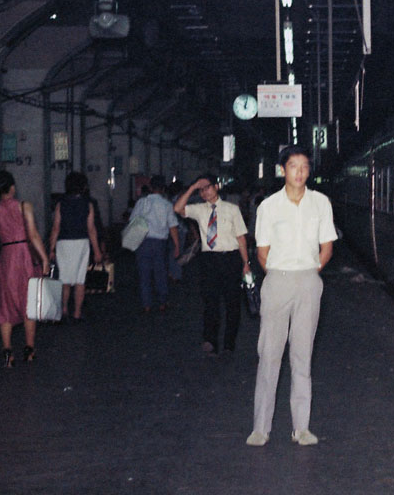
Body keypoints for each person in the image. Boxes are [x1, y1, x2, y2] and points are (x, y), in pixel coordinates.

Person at [246, 146, 337, 447]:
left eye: (304, 166)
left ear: (309, 171)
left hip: (309, 281)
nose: (299, 171)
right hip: (277, 281)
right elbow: (262, 253)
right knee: (269, 355)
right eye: (293, 166)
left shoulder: (320, 203)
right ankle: (261, 427)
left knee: (302, 356)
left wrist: (310, 272)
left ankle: (302, 427)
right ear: (282, 170)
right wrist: (281, 274)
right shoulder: (268, 207)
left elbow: (327, 246)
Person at [174, 173, 249, 355]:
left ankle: (229, 343)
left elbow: (241, 237)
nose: (204, 192)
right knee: (210, 301)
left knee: (232, 303)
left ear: (216, 187)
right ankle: (211, 341)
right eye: (201, 190)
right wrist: (192, 187)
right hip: (209, 260)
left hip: (230, 258)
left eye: (207, 187)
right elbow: (177, 209)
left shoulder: (232, 209)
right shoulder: (199, 209)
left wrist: (246, 263)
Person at [0, 170, 49, 368]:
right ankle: (29, 350)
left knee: (4, 304)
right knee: (29, 301)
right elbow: (33, 235)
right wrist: (45, 259)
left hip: (6, 257)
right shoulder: (24, 206)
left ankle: (7, 351)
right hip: (24, 257)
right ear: (12, 187)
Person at [48, 172, 102, 322]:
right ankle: (77, 313)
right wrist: (97, 250)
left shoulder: (61, 204)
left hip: (63, 244)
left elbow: (55, 228)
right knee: (80, 280)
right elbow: (91, 229)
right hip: (81, 243)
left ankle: (64, 309)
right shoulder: (88, 204)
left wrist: (51, 249)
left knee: (64, 279)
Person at [128, 175, 180, 313]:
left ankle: (147, 304)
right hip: (160, 243)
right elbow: (173, 226)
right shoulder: (167, 205)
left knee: (144, 274)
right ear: (163, 189)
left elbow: (132, 221)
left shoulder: (141, 202)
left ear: (150, 187)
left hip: (143, 241)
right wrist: (176, 245)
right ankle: (162, 302)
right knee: (160, 273)